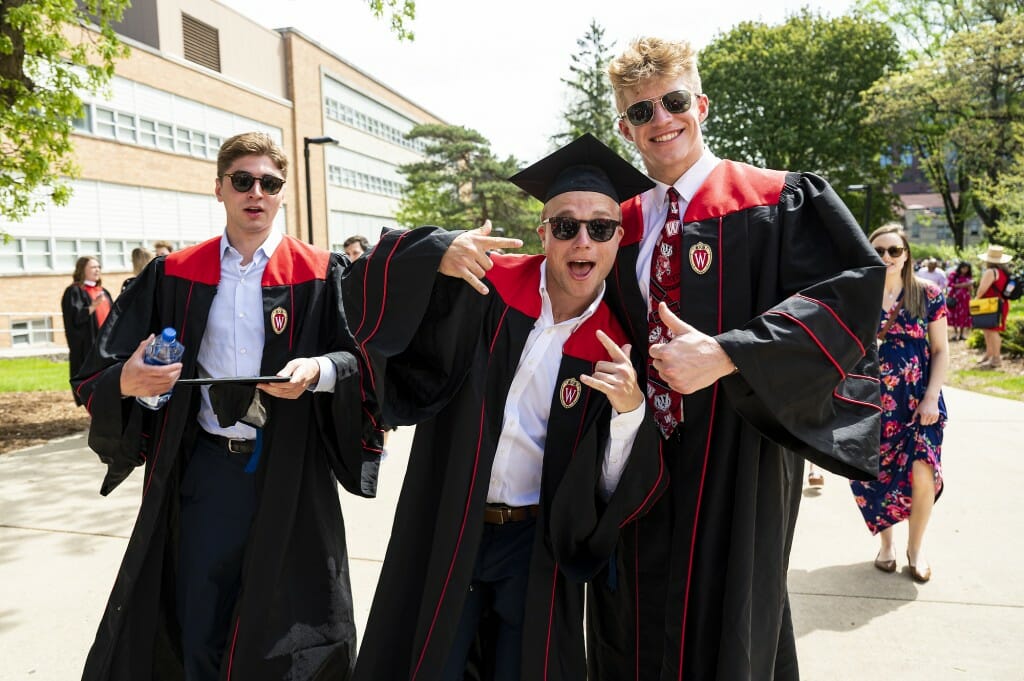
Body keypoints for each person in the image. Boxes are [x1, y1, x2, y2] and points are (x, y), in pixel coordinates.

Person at [587, 37, 885, 681]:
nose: (661, 120)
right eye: (642, 112)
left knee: (733, 616)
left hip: (739, 451)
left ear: (701, 103)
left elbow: (853, 294)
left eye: (672, 102)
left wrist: (729, 353)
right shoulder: (618, 223)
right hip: (639, 453)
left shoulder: (774, 200)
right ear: (624, 128)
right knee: (629, 617)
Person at [345, 134, 668, 681]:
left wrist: (630, 412)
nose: (582, 240)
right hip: (451, 521)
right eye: (565, 225)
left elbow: (612, 488)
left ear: (619, 239)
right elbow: (357, 289)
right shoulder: (484, 285)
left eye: (601, 228)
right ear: (544, 233)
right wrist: (431, 252)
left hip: (535, 547)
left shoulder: (621, 345)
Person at [71, 132, 384, 681]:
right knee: (200, 617)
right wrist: (131, 380)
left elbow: (365, 359)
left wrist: (320, 370)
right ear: (219, 189)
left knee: (296, 628)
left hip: (291, 473)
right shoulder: (174, 274)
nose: (256, 192)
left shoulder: (318, 271)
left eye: (270, 183)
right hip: (207, 472)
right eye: (243, 181)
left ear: (282, 193)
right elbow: (103, 369)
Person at [850, 224, 948, 583]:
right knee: (872, 477)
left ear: (906, 254)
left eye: (893, 250)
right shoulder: (860, 293)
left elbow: (940, 351)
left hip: (920, 404)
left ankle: (915, 548)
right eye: (877, 251)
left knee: (924, 473)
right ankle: (887, 545)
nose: (886, 257)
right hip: (870, 404)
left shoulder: (928, 294)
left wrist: (932, 396)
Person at [61, 256, 113, 401]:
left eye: (98, 267)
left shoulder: (103, 291)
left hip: (107, 344)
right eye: (92, 267)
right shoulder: (74, 292)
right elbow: (74, 320)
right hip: (90, 345)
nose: (97, 270)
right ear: (82, 270)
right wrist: (92, 306)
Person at [974, 244, 1014, 369]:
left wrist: (976, 300)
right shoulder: (1003, 272)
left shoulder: (991, 272)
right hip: (1000, 303)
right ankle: (989, 355)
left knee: (992, 331)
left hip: (991, 304)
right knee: (988, 330)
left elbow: (981, 290)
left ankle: (996, 359)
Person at [946, 260, 974, 341]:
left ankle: (962, 334)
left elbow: (970, 288)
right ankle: (955, 333)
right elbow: (950, 284)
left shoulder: (968, 277)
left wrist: (970, 289)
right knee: (955, 314)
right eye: (964, 268)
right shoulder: (954, 275)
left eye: (967, 269)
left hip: (965, 299)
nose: (965, 270)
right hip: (955, 298)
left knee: (964, 315)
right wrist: (963, 285)